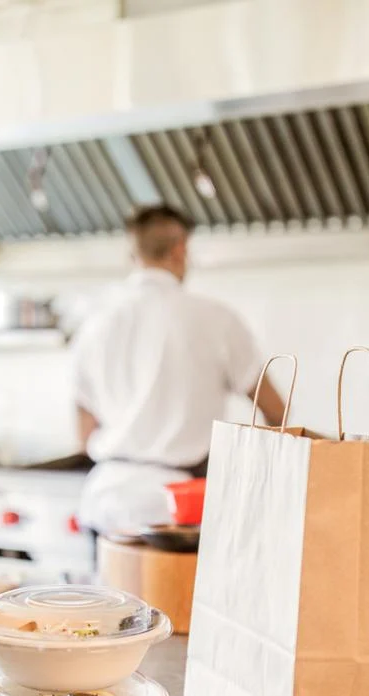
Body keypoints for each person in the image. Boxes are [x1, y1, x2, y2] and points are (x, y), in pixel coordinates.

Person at [71, 205, 286, 535]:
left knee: (108, 588)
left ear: (134, 254)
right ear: (180, 249)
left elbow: (84, 433)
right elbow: (276, 413)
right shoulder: (215, 319)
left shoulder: (95, 322)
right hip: (176, 507)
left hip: (104, 498)